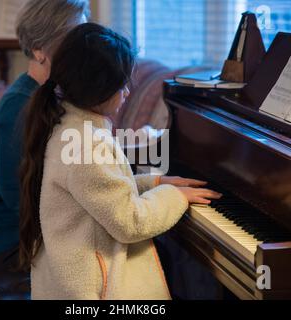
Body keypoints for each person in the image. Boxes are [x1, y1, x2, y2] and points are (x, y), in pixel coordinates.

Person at [19, 22, 222, 300]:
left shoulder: (70, 124)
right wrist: (174, 196)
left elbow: (102, 190)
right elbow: (130, 222)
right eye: (121, 84)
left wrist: (154, 182)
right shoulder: (86, 145)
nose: (127, 91)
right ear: (97, 88)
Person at [0, 0, 89, 273]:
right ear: (39, 50)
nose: (80, 50)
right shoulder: (19, 106)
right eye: (71, 39)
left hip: (36, 230)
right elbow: (17, 197)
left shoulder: (54, 95)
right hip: (4, 242)